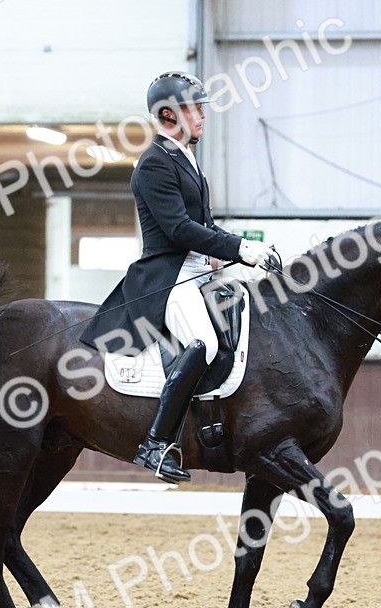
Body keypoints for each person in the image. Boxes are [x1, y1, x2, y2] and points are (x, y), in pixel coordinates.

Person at [79, 71, 278, 483]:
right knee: (201, 344)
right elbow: (179, 229)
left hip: (198, 272)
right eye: (194, 108)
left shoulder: (184, 158)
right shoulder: (153, 163)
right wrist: (242, 247)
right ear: (169, 114)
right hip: (167, 278)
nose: (203, 115)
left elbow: (203, 225)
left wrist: (225, 255)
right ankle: (155, 443)